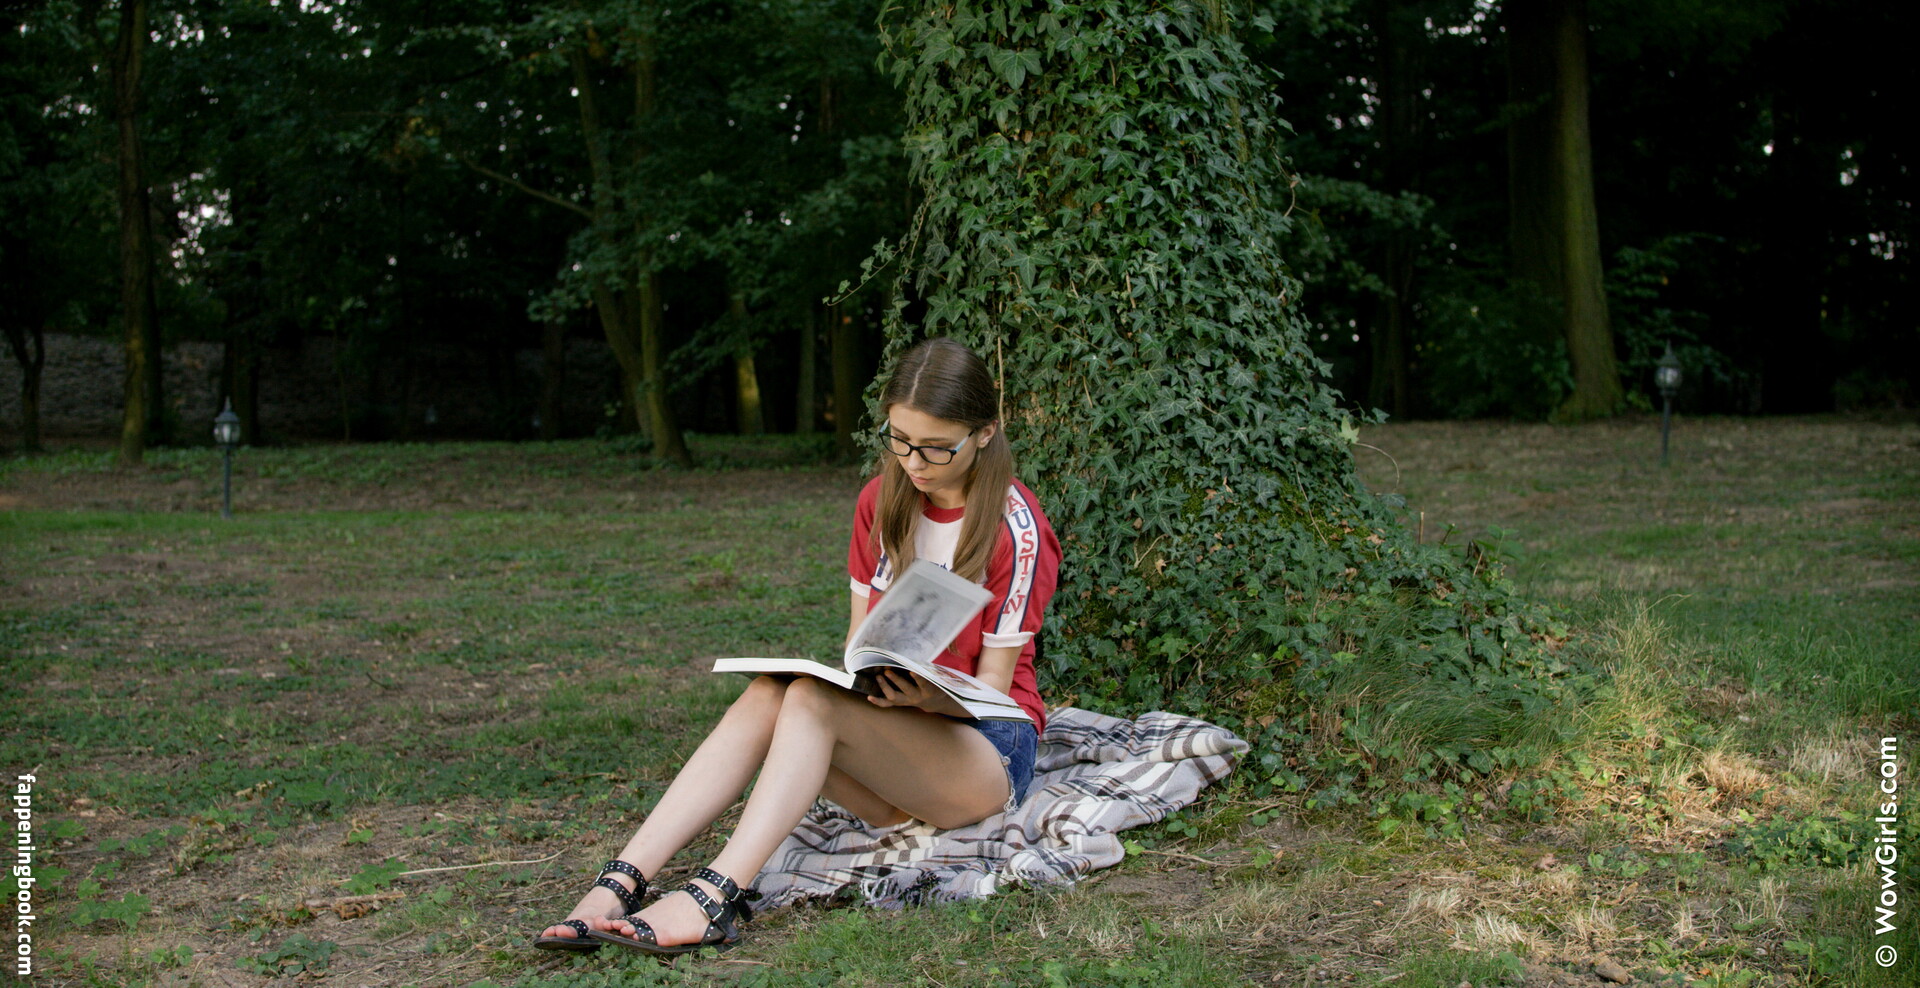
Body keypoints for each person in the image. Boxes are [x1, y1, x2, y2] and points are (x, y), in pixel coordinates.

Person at [533, 337, 1061, 957]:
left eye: (936, 447)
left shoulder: (1015, 529)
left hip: (987, 751)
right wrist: (871, 685)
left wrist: (926, 698)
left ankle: (712, 897)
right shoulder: (882, 500)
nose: (914, 462)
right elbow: (860, 643)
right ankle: (619, 883)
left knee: (810, 703)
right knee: (772, 694)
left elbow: (995, 693)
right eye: (899, 440)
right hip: (901, 751)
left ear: (985, 432)